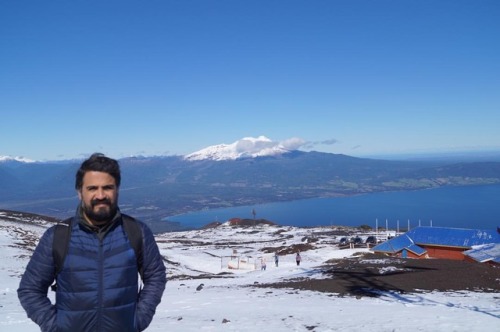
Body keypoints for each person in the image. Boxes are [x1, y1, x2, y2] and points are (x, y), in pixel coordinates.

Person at [18, 153, 167, 332]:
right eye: (92, 188)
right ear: (80, 192)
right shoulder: (58, 237)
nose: (101, 195)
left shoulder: (136, 231)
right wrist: (56, 326)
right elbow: (30, 289)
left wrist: (137, 320)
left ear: (117, 189)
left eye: (108, 187)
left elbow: (155, 276)